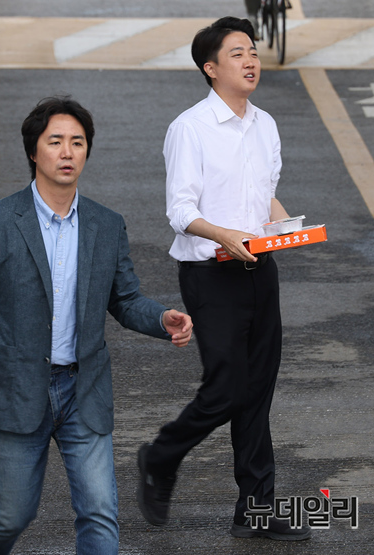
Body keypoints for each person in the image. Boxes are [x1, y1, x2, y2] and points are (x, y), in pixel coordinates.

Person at [0, 95, 193, 555]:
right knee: (12, 514)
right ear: (33, 151)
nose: (67, 152)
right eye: (55, 141)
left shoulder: (107, 224)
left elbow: (124, 300)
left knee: (100, 513)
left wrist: (162, 319)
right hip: (15, 389)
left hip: (83, 388)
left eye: (77, 142)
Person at [136, 17, 310, 541]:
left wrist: (287, 227)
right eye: (237, 54)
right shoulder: (189, 128)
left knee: (257, 392)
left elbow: (265, 194)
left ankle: (254, 511)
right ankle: (160, 456)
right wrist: (224, 235)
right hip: (210, 274)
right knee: (227, 388)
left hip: (260, 269)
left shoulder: (265, 124)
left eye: (252, 51)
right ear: (210, 69)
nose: (250, 61)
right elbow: (180, 210)